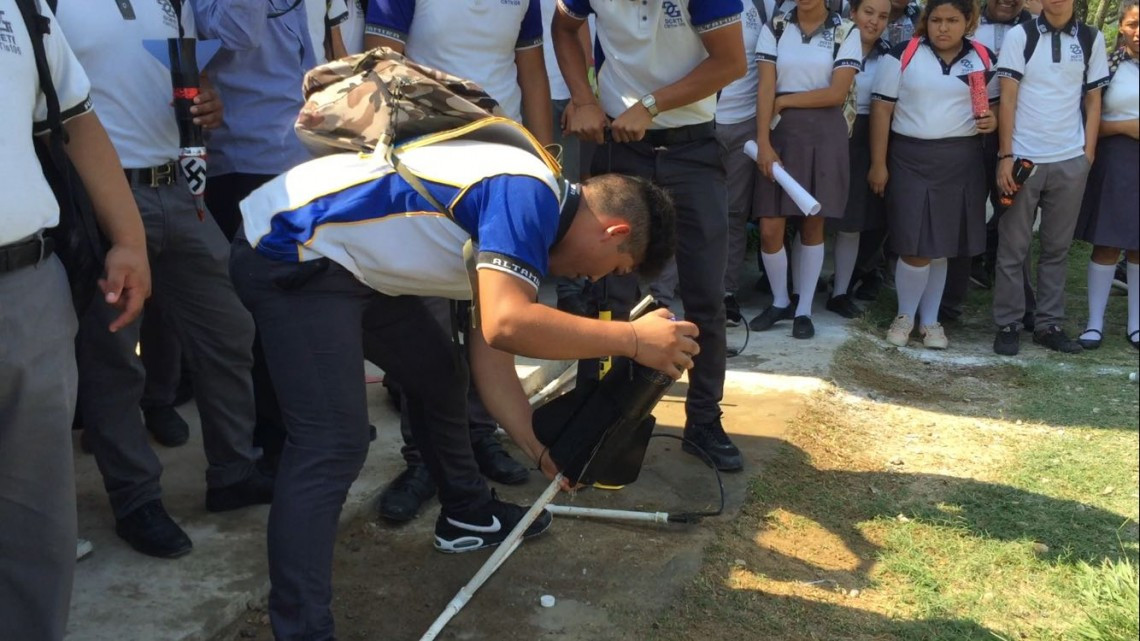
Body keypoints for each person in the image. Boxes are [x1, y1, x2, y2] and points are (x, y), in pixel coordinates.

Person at [231, 131, 689, 639]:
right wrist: (631, 339)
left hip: (354, 268)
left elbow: (491, 351)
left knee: (441, 377)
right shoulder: (527, 192)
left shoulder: (532, 209)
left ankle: (466, 514)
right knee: (331, 445)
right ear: (613, 230)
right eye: (618, 267)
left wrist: (541, 454)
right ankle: (303, 631)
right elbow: (508, 324)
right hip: (290, 249)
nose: (598, 277)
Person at [56, 0, 274, 559]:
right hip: (100, 200)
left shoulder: (171, 2)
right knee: (114, 364)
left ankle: (234, 474)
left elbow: (190, 79)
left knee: (229, 329)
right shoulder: (49, 7)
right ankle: (136, 500)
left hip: (179, 189)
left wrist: (209, 102)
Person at [363, 0, 551, 522]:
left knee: (488, 316)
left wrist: (543, 152)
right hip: (428, 163)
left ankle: (479, 436)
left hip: (503, 167)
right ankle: (423, 459)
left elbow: (530, 69)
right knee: (425, 325)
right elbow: (382, 65)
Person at [0, 0, 150, 637]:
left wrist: (130, 240)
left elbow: (76, 122)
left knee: (35, 525)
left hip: (26, 289)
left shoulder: (22, 10)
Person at [553, 0, 746, 471]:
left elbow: (731, 61)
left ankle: (703, 421)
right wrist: (582, 97)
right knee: (606, 291)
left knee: (704, 296)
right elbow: (564, 28)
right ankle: (597, 420)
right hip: (623, 149)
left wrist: (652, 105)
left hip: (693, 149)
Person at [193, 0, 319, 470]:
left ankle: (295, 424)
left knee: (297, 306)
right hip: (243, 161)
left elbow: (302, 57)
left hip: (295, 155)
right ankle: (270, 438)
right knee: (261, 317)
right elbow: (233, 34)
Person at [869, 0, 998, 349]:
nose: (943, 27)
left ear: (968, 21)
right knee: (914, 243)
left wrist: (993, 120)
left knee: (942, 245)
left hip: (961, 160)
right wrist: (878, 163)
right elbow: (882, 111)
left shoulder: (984, 58)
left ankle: (931, 321)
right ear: (926, 21)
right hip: (910, 157)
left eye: (952, 20)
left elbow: (995, 108)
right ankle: (905, 315)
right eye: (936, 19)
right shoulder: (903, 53)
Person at [992, 0, 1110, 355]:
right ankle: (1009, 322)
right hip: (1024, 159)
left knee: (1057, 249)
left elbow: (1093, 99)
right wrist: (1005, 155)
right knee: (1013, 247)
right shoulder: (1020, 35)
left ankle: (1049, 324)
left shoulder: (1091, 38)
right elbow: (1008, 100)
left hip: (1069, 159)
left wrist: (1086, 155)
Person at [749, 0, 862, 339]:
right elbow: (765, 88)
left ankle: (803, 309)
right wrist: (763, 142)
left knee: (813, 223)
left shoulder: (846, 30)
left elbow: (837, 92)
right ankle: (781, 300)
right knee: (770, 225)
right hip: (779, 132)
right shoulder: (776, 29)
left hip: (824, 133)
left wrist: (785, 101)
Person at [940, 0, 1035, 321]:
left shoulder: (1035, 30)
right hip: (968, 133)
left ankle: (1022, 301)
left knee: (1015, 216)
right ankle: (949, 301)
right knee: (962, 215)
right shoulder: (966, 23)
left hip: (1018, 134)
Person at [1075, 0, 1139, 350]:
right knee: (1108, 242)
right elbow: (1088, 123)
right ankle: (1094, 323)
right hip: (1115, 161)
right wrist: (1128, 127)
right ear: (1122, 27)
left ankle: (1136, 324)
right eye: (1132, 24)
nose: (1138, 32)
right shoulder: (1109, 68)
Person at [827, 0, 892, 317]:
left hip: (866, 136)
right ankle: (798, 291)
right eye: (868, 13)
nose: (874, 22)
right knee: (810, 221)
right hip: (827, 129)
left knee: (852, 222)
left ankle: (840, 291)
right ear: (852, 13)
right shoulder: (831, 43)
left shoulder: (890, 55)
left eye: (882, 17)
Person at [717, 0, 778, 328]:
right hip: (696, 120)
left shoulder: (766, 4)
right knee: (679, 208)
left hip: (745, 124)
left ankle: (726, 293)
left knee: (734, 213)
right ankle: (662, 294)